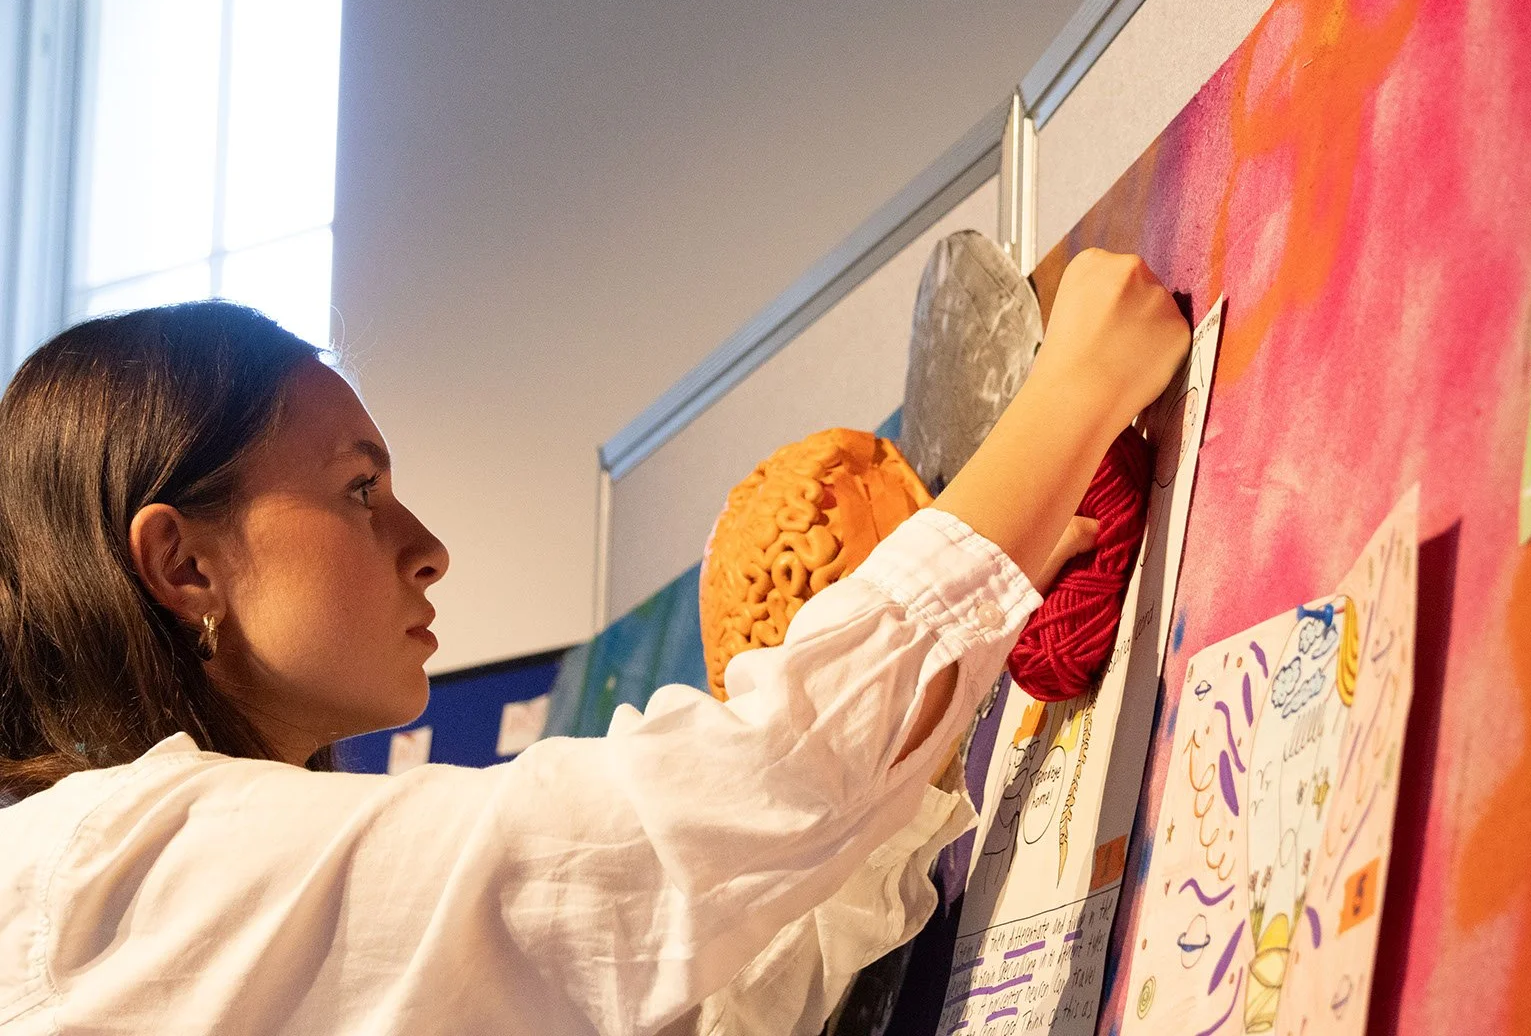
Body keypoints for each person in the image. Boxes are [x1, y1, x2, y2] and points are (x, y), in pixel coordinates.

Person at [0, 249, 1190, 1035]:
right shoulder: (118, 869)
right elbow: (709, 810)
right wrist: (1074, 388)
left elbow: (691, 996)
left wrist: (924, 725)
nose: (426, 548)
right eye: (360, 490)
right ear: (184, 563)